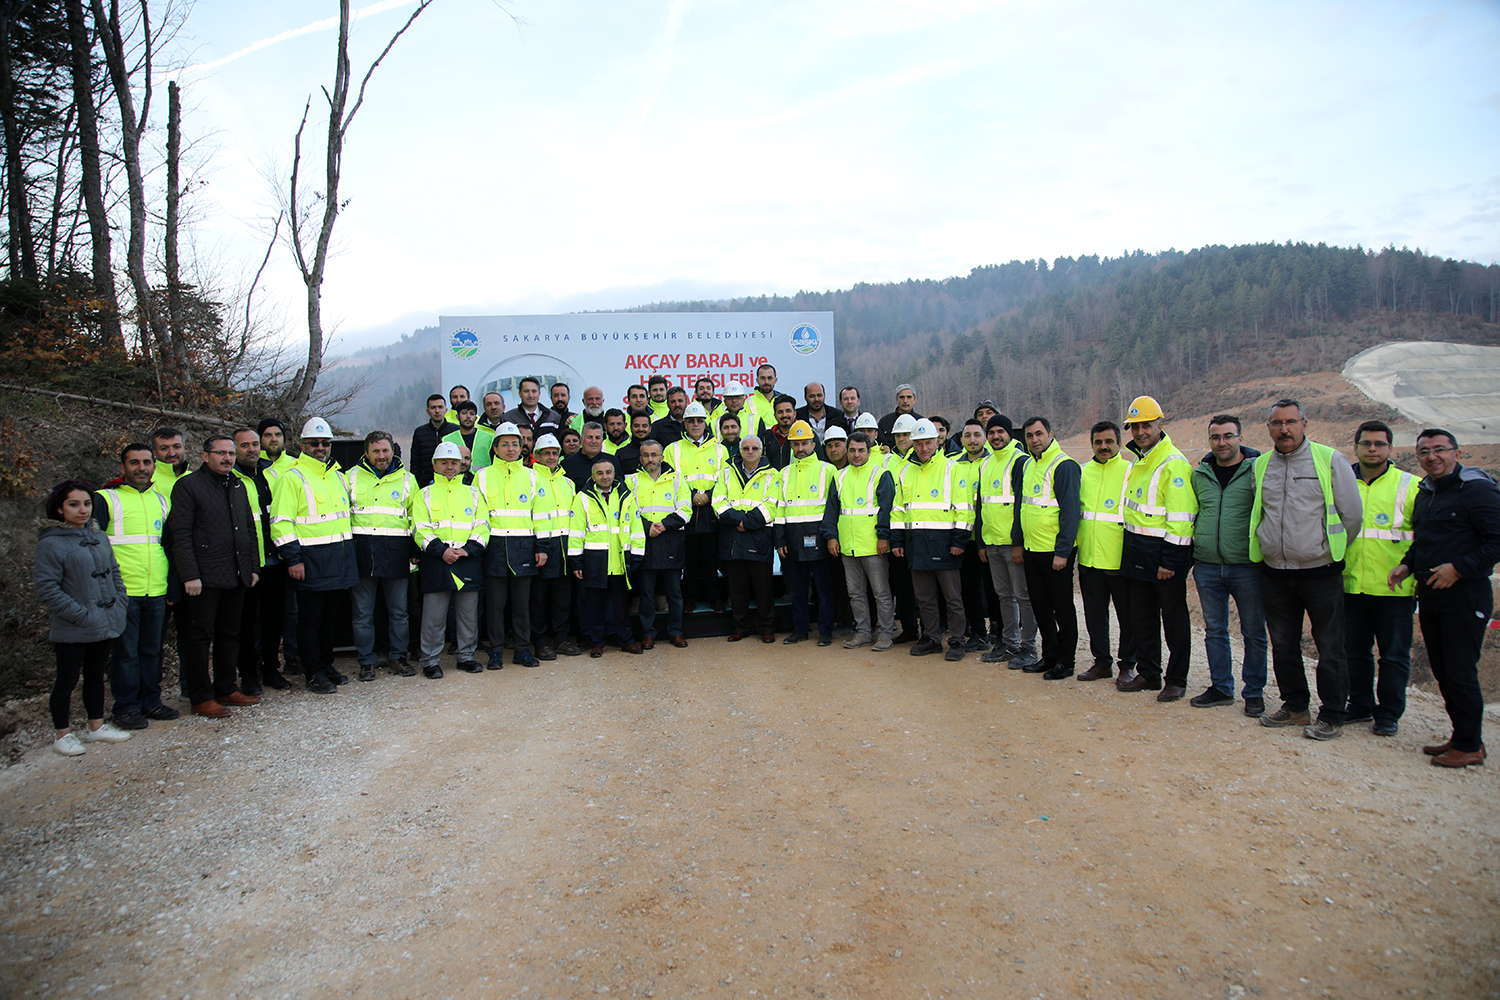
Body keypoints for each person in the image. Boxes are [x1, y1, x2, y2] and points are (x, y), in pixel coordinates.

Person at [1250, 398, 1362, 740]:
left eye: (1291, 422)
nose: (1284, 429)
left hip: (1320, 572)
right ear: (1268, 428)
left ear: (1304, 424)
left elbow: (1352, 515)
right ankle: (1296, 706)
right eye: (1277, 423)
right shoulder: (1262, 464)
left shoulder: (1329, 460)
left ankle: (1332, 714)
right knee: (1283, 644)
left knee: (1329, 646)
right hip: (1275, 573)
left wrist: (1326, 550)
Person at [1389, 429, 1500, 767]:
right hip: (1431, 595)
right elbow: (1424, 540)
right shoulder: (1427, 492)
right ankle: (1464, 737)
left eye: (1439, 450)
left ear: (1457, 452)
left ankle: (1468, 745)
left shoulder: (1478, 491)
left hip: (1465, 595)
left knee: (1459, 670)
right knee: (1442, 670)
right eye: (1424, 451)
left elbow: (1496, 541)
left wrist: (1460, 568)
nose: (1432, 457)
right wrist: (1407, 565)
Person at [166, 435, 261, 717]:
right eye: (221, 453)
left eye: (231, 453)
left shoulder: (237, 486)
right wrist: (189, 575)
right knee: (199, 637)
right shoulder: (188, 486)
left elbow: (248, 529)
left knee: (230, 634)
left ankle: (226, 688)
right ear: (205, 456)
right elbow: (179, 534)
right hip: (204, 577)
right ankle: (200, 696)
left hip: (236, 573)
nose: (228, 458)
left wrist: (253, 567)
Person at [36, 479, 132, 756]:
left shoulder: (99, 536)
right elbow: (47, 589)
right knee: (66, 680)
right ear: (59, 509)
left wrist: (119, 603)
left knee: (95, 676)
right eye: (74, 504)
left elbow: (114, 572)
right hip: (73, 625)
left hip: (106, 620)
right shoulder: (50, 544)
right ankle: (62, 734)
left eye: (87, 504)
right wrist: (82, 615)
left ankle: (96, 726)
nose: (82, 510)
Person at [270, 417, 359, 694]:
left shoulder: (337, 475)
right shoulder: (292, 478)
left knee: (330, 619)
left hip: (339, 558)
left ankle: (326, 664)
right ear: (303, 445)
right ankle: (313, 672)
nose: (320, 447)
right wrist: (293, 559)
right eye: (314, 443)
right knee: (310, 620)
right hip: (310, 561)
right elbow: (281, 522)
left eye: (325, 443)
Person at [1340, 421, 1418, 735]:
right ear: (1356, 446)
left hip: (1393, 588)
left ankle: (1388, 713)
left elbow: (1424, 536)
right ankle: (1359, 705)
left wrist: (1411, 568)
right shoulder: (1341, 481)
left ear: (1390, 448)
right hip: (1350, 583)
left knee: (1394, 656)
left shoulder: (1410, 485)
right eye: (1367, 443)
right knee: (1354, 652)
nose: (1373, 449)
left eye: (1380, 444)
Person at [1118, 396, 1197, 699]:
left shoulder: (1172, 463)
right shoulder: (1141, 460)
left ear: (1160, 425)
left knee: (1174, 622)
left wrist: (1171, 561)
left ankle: (1176, 679)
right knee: (1143, 619)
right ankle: (1149, 673)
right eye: (1135, 427)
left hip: (1164, 556)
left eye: (1146, 425)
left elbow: (1181, 518)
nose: (1140, 432)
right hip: (1138, 552)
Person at [1189, 415, 1267, 715]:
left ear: (1240, 438)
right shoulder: (1201, 475)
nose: (1222, 442)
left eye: (1228, 436)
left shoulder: (1256, 472)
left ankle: (1255, 692)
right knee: (1215, 630)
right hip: (1207, 565)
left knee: (1253, 632)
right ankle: (1221, 687)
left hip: (1246, 565)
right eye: (1216, 437)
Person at [94, 445, 175, 729]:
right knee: (126, 653)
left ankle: (151, 702)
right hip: (122, 591)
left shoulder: (162, 501)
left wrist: (171, 586)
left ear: (154, 466)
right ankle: (126, 707)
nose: (141, 467)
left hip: (156, 589)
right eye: (134, 463)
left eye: (146, 462)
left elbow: (168, 546)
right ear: (122, 468)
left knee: (152, 650)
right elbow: (93, 546)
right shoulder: (105, 499)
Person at [891, 419, 970, 661]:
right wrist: (897, 541)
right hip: (917, 544)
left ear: (937, 442)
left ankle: (957, 640)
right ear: (913, 444)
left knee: (952, 598)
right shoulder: (905, 471)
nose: (924, 447)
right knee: (924, 598)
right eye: (919, 443)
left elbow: (965, 509)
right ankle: (932, 638)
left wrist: (959, 540)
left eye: (928, 442)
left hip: (946, 544)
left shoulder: (953, 468)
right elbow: (898, 510)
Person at [411, 442, 488, 678]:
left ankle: (466, 656)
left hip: (467, 561)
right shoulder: (423, 494)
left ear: (461, 465)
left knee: (467, 615)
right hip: (437, 561)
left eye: (453, 463)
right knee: (433, 616)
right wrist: (440, 550)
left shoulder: (474, 493)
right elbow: (418, 528)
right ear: (434, 465)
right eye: (444, 462)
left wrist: (469, 549)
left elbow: (483, 524)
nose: (449, 467)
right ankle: (431, 661)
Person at [474, 423, 545, 669]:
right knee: (495, 605)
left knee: (522, 604)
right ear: (495, 448)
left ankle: (523, 650)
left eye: (515, 444)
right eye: (504, 444)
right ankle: (495, 651)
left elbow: (540, 515)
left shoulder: (532, 475)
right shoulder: (482, 475)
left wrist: (541, 547)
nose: (511, 448)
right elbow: (478, 516)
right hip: (493, 548)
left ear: (522, 447)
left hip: (524, 547)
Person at [1016, 417, 1081, 679]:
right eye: (1030, 436)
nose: (1034, 440)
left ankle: (1066, 661)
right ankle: (1049, 655)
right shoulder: (1030, 464)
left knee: (1063, 608)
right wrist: (1021, 543)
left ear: (1051, 434)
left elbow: (1070, 512)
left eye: (1039, 434)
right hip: (1033, 549)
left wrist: (1062, 552)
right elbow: (1025, 508)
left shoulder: (1064, 465)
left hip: (1055, 553)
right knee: (1041, 607)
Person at [347, 430, 415, 681]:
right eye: (375, 451)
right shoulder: (349, 478)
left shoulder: (408, 480)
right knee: (362, 613)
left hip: (397, 554)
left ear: (393, 450)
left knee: (399, 612)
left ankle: (398, 657)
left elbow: (414, 518)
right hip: (362, 552)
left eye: (385, 450)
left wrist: (415, 551)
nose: (381, 455)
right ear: (366, 453)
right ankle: (367, 661)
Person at [1076, 421, 1136, 684]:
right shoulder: (1081, 471)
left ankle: (1127, 665)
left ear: (1119, 444)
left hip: (1120, 558)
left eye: (1109, 442)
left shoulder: (1130, 472)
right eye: (1098, 442)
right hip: (1089, 557)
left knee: (1127, 616)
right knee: (1094, 614)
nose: (1103, 446)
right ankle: (1102, 663)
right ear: (1092, 444)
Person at [978, 414, 1039, 668]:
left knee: (1023, 596)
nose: (995, 436)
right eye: (991, 433)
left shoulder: (1020, 461)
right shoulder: (987, 462)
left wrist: (1018, 542)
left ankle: (1029, 647)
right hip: (991, 542)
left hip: (1011, 544)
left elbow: (1021, 506)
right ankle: (1009, 643)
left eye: (1000, 432)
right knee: (1004, 595)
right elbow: (981, 505)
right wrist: (982, 542)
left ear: (1009, 434)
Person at [569, 454, 643, 657]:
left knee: (621, 605)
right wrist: (576, 561)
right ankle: (596, 643)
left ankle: (626, 640)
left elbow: (636, 528)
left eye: (608, 472)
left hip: (620, 560)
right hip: (595, 561)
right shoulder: (583, 498)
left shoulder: (626, 496)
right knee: (595, 606)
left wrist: (635, 556)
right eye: (599, 473)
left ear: (614, 474)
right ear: (593, 477)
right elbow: (576, 532)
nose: (605, 476)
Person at [831, 430, 897, 649]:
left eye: (861, 450)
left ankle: (886, 633)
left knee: (881, 592)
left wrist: (883, 537)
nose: (856, 455)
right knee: (855, 593)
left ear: (869, 451)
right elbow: (832, 510)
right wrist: (832, 537)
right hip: (848, 546)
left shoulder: (881, 474)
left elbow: (887, 509)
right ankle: (863, 632)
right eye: (852, 450)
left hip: (873, 545)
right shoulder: (840, 476)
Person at [777, 420, 839, 645]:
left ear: (814, 444)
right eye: (796, 444)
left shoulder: (828, 470)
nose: (800, 448)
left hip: (820, 537)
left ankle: (825, 631)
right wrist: (780, 538)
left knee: (824, 588)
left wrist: (831, 537)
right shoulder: (783, 474)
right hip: (793, 538)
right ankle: (800, 629)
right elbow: (779, 508)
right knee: (798, 589)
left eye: (804, 443)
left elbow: (833, 509)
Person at [714, 435, 780, 642]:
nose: (750, 451)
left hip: (758, 536)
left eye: (754, 448)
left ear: (762, 451)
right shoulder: (726, 472)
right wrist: (738, 521)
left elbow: (772, 504)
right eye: (746, 448)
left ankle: (767, 628)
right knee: (737, 588)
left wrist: (746, 522)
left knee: (763, 588)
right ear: (740, 451)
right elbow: (718, 501)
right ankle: (739, 627)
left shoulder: (773, 475)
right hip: (733, 536)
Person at [665, 401, 728, 615]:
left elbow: (725, 481)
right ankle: (690, 600)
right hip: (686, 513)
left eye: (699, 420)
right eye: (691, 420)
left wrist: (709, 496)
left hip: (711, 512)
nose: (695, 424)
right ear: (684, 423)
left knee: (711, 561)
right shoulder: (672, 449)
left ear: (705, 422)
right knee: (689, 562)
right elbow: (670, 480)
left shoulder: (720, 450)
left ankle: (715, 598)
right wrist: (691, 496)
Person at [230, 427, 277, 696]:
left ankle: (271, 668)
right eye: (245, 445)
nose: (252, 450)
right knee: (246, 623)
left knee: (273, 620)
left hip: (275, 559)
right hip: (247, 562)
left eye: (255, 445)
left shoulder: (271, 473)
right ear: (236, 449)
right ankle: (248, 674)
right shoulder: (230, 478)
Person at [629, 439, 690, 648]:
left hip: (671, 541)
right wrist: (648, 528)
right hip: (645, 542)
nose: (650, 459)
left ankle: (676, 632)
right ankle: (648, 633)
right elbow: (630, 512)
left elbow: (685, 510)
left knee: (674, 592)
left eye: (654, 455)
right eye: (646, 455)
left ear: (662, 457)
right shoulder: (632, 481)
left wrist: (663, 525)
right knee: (646, 593)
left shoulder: (677, 479)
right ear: (640, 459)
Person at [528, 434, 581, 658]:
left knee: (562, 598)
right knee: (538, 600)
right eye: (546, 453)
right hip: (541, 547)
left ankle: (561, 639)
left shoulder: (567, 482)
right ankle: (540, 642)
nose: (551, 457)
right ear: (537, 456)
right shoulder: (530, 478)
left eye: (554, 453)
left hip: (564, 547)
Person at [954, 419, 996, 650]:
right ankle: (977, 632)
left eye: (977, 435)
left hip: (988, 536)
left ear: (984, 438)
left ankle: (998, 633)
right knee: (969, 588)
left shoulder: (993, 462)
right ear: (961, 440)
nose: (972, 440)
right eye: (967, 436)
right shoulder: (952, 464)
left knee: (994, 589)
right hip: (964, 538)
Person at [563, 422, 621, 490]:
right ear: (581, 440)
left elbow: (621, 489)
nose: (594, 441)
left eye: (597, 437)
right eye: (590, 437)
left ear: (602, 441)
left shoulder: (613, 461)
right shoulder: (567, 464)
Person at [410, 394, 450, 487]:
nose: (437, 411)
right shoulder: (420, 432)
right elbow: (415, 462)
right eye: (433, 407)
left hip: (449, 481)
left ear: (446, 410)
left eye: (440, 407)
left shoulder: (455, 430)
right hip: (425, 483)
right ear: (428, 411)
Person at [444, 400, 494, 472]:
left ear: (476, 418)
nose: (468, 416)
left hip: (483, 479)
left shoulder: (489, 438)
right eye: (464, 413)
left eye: (472, 414)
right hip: (457, 480)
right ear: (457, 417)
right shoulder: (447, 440)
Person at [877, 384, 922, 449]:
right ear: (897, 400)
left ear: (914, 400)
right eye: (902, 397)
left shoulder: (920, 422)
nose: (905, 401)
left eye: (909, 397)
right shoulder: (885, 421)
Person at [762, 394, 798, 471]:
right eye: (780, 412)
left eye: (788, 411)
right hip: (773, 481)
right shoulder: (766, 437)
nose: (784, 415)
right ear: (775, 415)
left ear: (794, 413)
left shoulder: (807, 434)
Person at [150, 427, 187, 494]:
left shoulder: (197, 479)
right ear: (154, 452)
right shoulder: (148, 481)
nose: (172, 454)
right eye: (164, 448)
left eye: (177, 447)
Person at [746, 364, 779, 435]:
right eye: (763, 378)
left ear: (775, 380)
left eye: (770, 378)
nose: (766, 382)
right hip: (759, 443)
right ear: (757, 380)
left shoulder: (783, 400)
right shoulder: (747, 403)